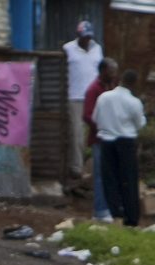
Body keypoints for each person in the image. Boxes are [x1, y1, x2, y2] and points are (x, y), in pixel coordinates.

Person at [95, 68, 147, 227]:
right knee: (128, 180)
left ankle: (115, 213)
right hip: (126, 141)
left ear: (120, 80)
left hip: (107, 141)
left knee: (110, 178)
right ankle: (131, 218)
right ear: (133, 84)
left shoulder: (104, 97)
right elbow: (140, 124)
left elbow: (95, 118)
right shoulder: (134, 102)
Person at [63, 21, 103, 180]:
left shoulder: (97, 49)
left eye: (88, 37)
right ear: (78, 35)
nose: (87, 40)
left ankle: (95, 168)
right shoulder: (68, 49)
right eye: (84, 37)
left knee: (96, 132)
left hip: (94, 98)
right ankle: (77, 168)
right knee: (76, 135)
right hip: (75, 97)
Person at [82, 58, 119, 222]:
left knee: (111, 174)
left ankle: (109, 207)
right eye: (112, 71)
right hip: (100, 138)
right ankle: (100, 211)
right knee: (100, 176)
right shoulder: (93, 90)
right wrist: (104, 126)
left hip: (113, 137)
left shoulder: (112, 88)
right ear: (103, 71)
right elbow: (87, 115)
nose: (114, 74)